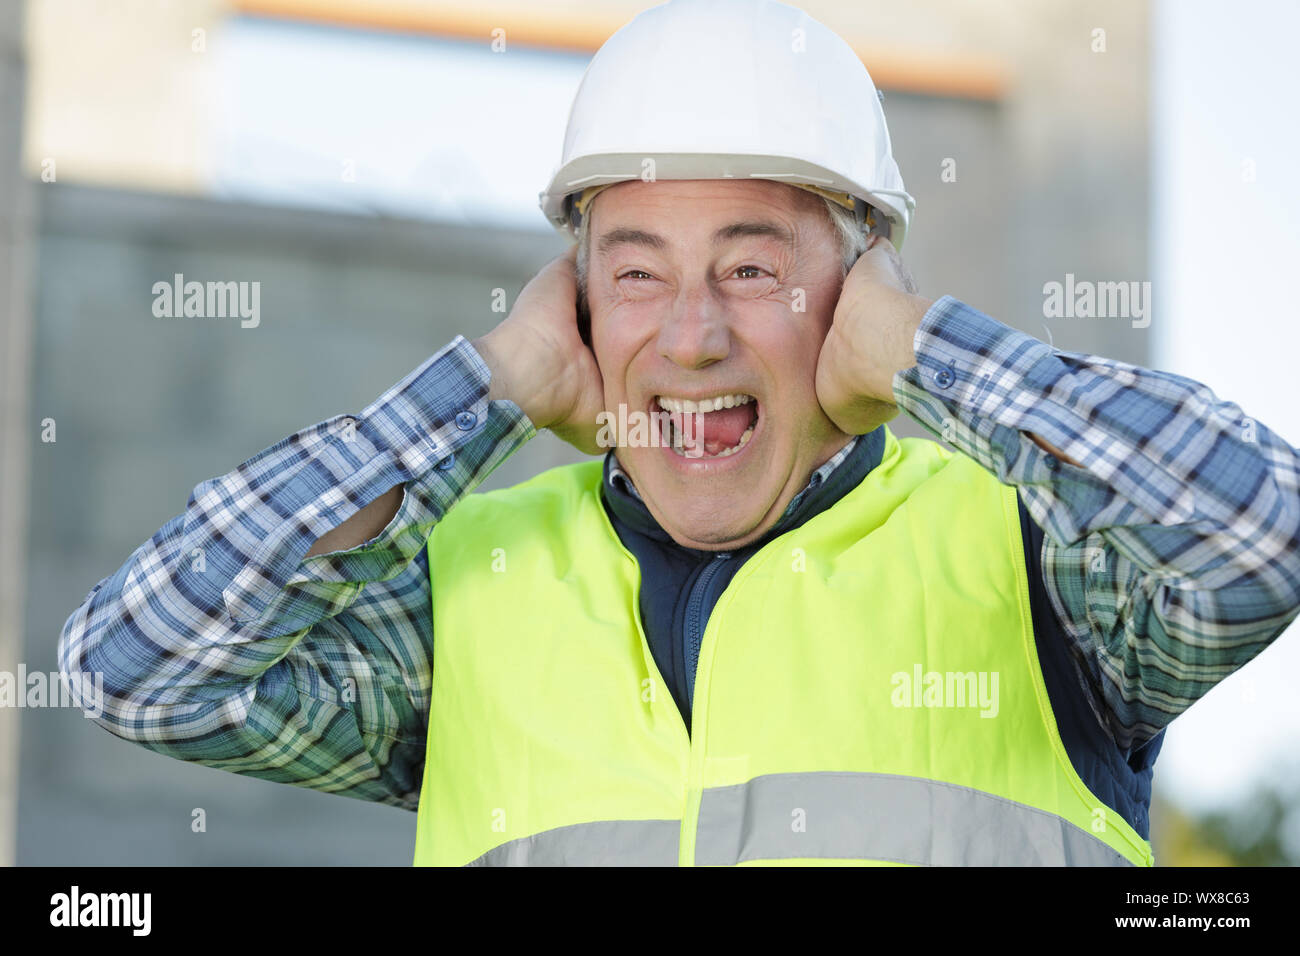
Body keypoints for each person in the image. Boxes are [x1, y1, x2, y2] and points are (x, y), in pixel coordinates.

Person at [59, 0, 1300, 866]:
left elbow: (1258, 527)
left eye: (752, 267)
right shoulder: (465, 586)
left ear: (862, 282)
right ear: (578, 296)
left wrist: (927, 354)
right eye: (637, 273)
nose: (692, 336)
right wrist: (485, 385)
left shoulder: (1030, 561)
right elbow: (135, 665)